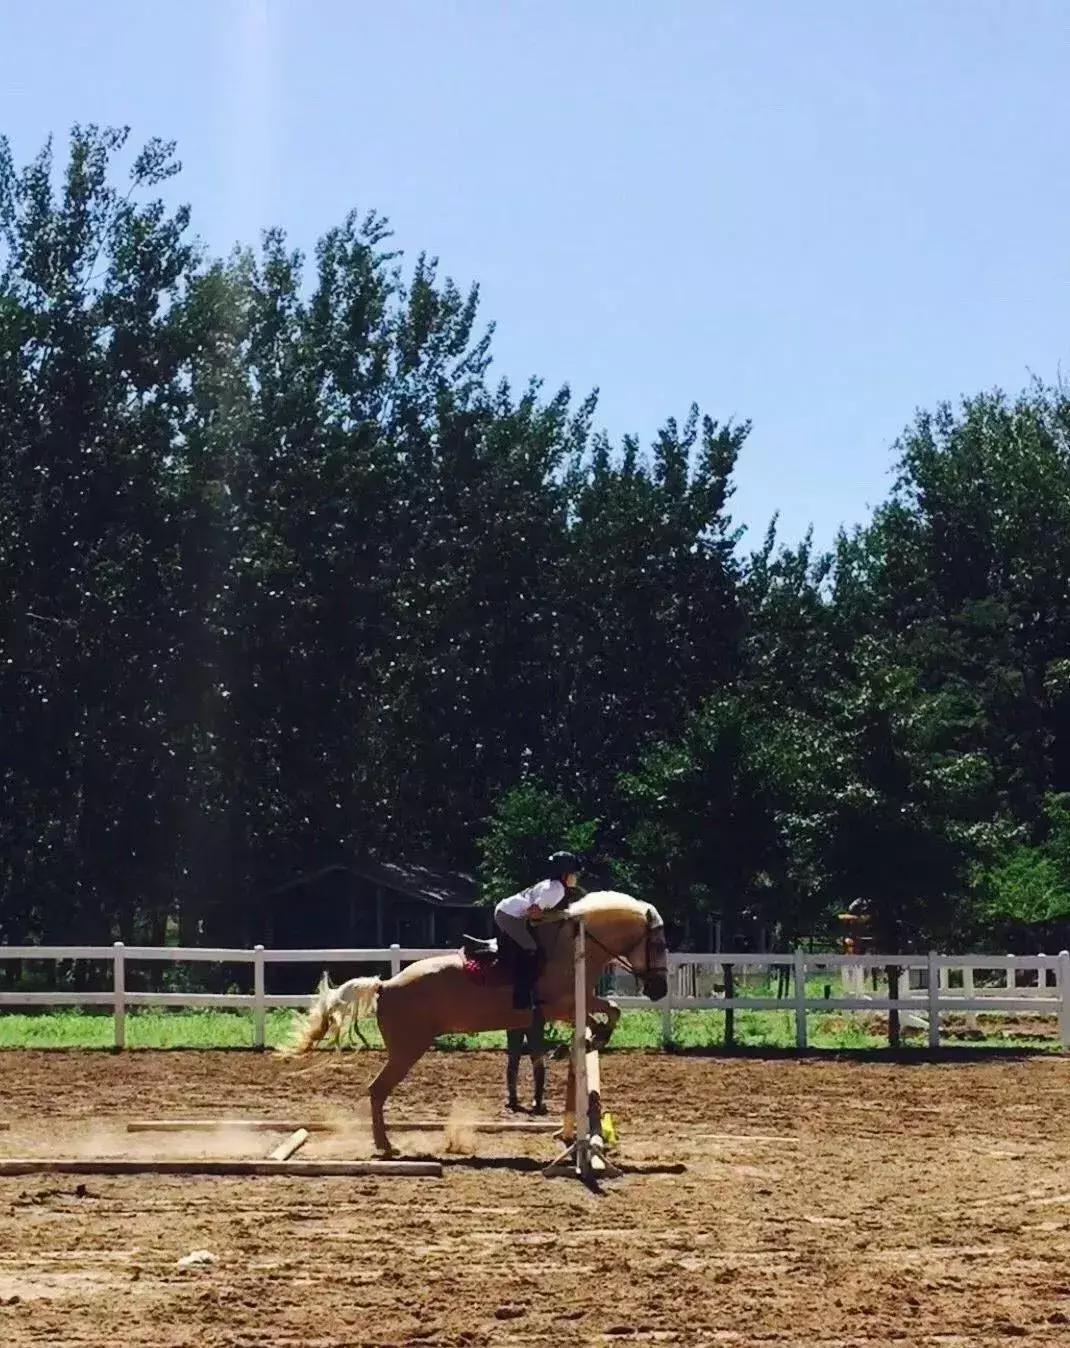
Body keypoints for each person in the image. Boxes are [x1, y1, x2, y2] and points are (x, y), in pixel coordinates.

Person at [494, 851, 582, 1012]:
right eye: (574, 873)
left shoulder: (552, 885)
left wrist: (561, 915)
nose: (576, 877)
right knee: (531, 949)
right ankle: (523, 998)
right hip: (509, 916)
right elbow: (534, 914)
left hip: (510, 911)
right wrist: (561, 915)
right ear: (564, 874)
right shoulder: (555, 890)